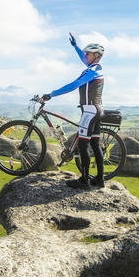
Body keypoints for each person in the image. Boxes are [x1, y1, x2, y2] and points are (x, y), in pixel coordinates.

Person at [41, 32, 105, 189]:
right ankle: (99, 180)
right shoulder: (96, 68)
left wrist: (51, 94)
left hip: (89, 112)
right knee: (95, 145)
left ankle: (84, 180)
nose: (85, 56)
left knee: (83, 146)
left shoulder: (92, 71)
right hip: (97, 110)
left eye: (88, 53)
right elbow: (82, 59)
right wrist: (75, 46)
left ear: (96, 55)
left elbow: (73, 85)